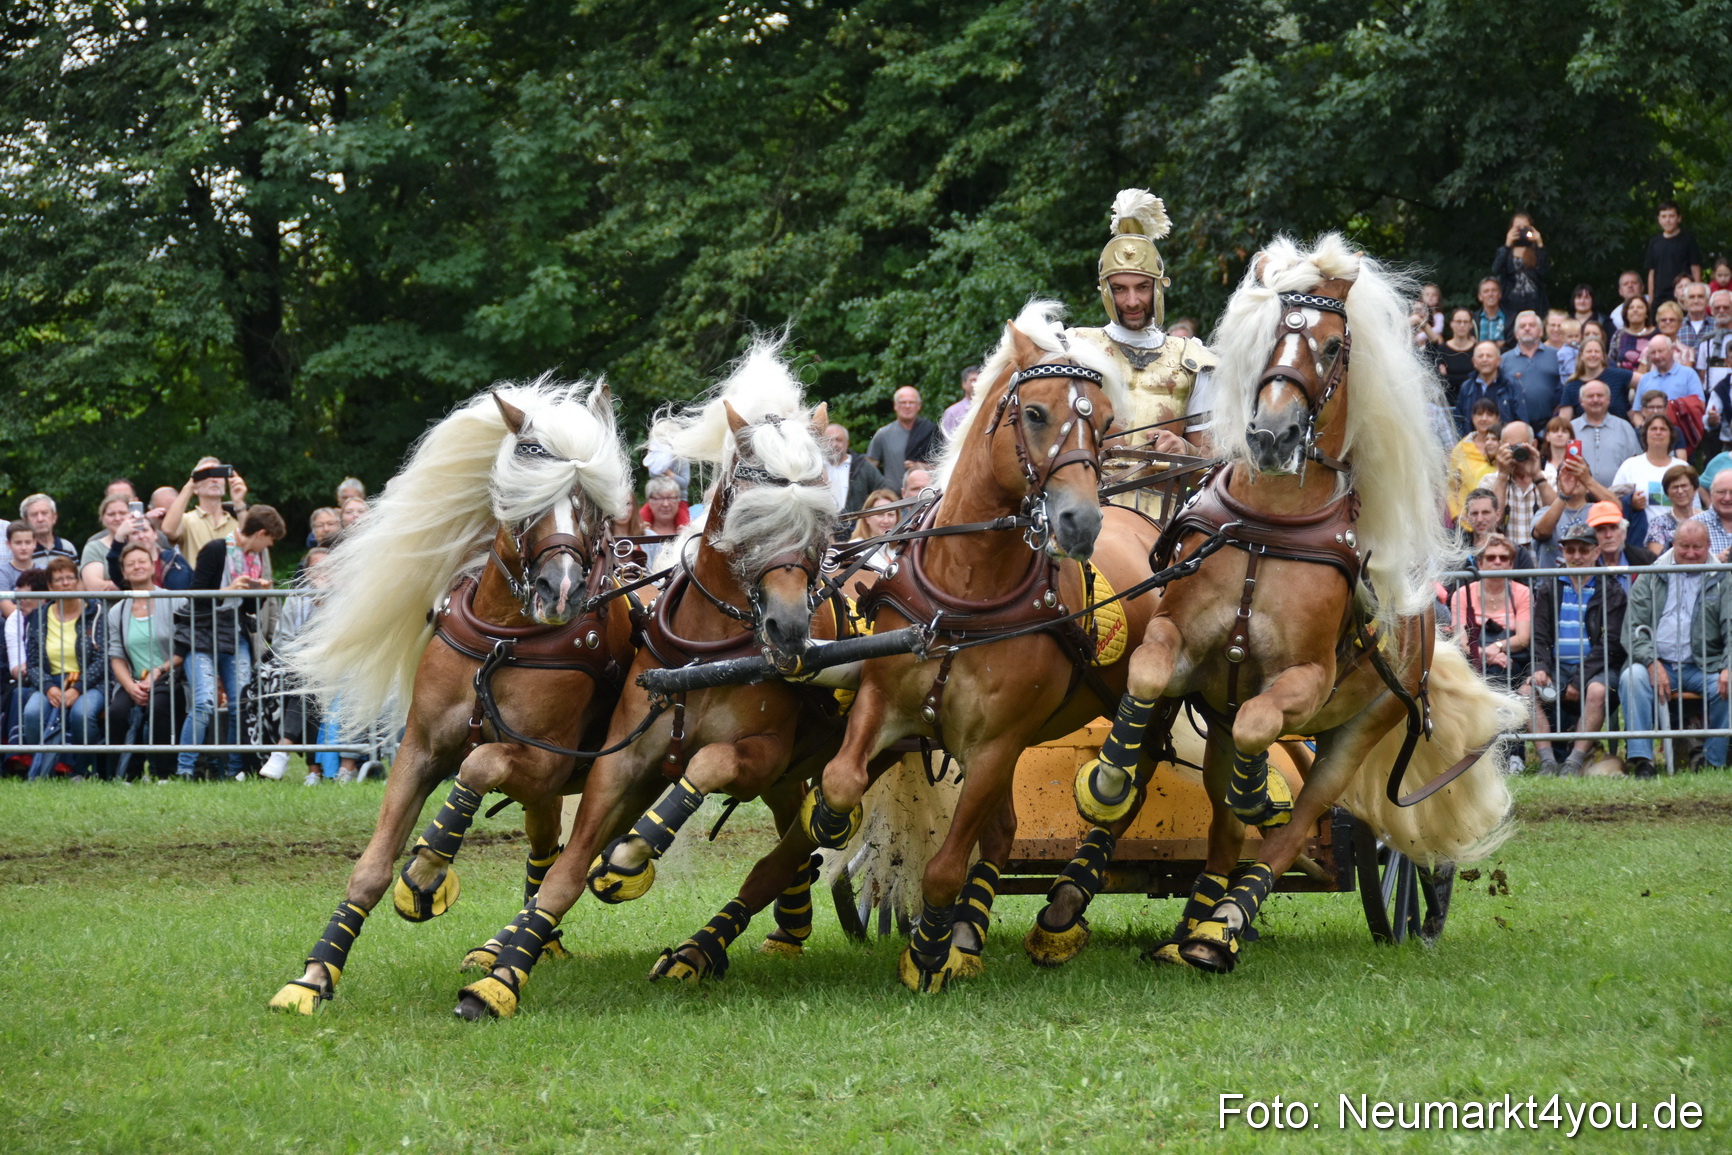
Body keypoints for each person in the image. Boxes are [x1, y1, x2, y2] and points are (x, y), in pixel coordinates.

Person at [1069, 188, 1217, 463]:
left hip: (1165, 504)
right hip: (1088, 502)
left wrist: (1186, 450)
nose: (1132, 301)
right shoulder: (1076, 350)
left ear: (1159, 288)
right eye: (1120, 289)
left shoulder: (1192, 360)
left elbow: (1213, 468)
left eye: (1143, 287)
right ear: (1105, 291)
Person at [176, 505, 285, 781]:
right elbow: (196, 594)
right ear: (260, 533)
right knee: (204, 702)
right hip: (202, 633)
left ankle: (234, 769)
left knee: (240, 702)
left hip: (234, 633)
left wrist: (259, 592)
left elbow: (248, 607)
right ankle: (185, 768)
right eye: (269, 540)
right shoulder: (215, 549)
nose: (268, 547)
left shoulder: (255, 559)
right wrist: (226, 590)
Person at [1618, 520, 1728, 777]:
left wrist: (1728, 666)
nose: (1690, 553)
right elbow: (1633, 627)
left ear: (1709, 546)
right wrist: (1651, 662)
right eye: (1684, 547)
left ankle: (1712, 762)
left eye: (1697, 548)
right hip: (1658, 661)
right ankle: (1642, 760)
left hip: (1705, 665)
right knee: (1631, 677)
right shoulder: (1652, 574)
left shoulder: (1724, 577)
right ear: (1673, 544)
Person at [1527, 522, 1626, 777]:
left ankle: (1573, 762)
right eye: (1570, 550)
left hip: (1596, 671)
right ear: (1563, 552)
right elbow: (1540, 634)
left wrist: (1579, 679)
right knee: (1527, 690)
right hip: (1557, 671)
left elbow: (1611, 643)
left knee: (1596, 690)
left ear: (1596, 552)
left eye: (1583, 550)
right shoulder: (1551, 585)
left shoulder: (1611, 588)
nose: (1577, 557)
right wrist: (1540, 667)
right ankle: (1547, 762)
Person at [19, 556, 107, 780]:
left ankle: (80, 770)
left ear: (78, 581)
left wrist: (77, 688)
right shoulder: (39, 617)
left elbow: (101, 658)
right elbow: (34, 662)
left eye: (70, 578)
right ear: (50, 586)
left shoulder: (95, 612)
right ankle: (50, 768)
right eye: (59, 579)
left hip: (89, 682)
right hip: (51, 680)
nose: (66, 583)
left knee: (81, 714)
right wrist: (49, 688)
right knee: (32, 713)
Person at [105, 543, 186, 781]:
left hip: (170, 677)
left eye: (142, 561)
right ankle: (128, 774)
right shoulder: (116, 611)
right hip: (134, 681)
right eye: (130, 564)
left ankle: (164, 774)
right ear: (124, 573)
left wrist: (158, 672)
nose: (137, 566)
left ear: (153, 567)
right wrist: (130, 686)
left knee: (159, 705)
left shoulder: (175, 601)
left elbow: (183, 649)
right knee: (117, 712)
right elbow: (117, 656)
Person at [1451, 535, 1532, 689]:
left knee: (1498, 671)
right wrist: (1486, 655)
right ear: (1480, 564)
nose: (1497, 562)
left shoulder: (1523, 592)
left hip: (1509, 659)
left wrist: (1498, 647)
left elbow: (1523, 638)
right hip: (1471, 658)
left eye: (1503, 558)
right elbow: (1461, 641)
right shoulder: (1462, 594)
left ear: (1511, 564)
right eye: (1491, 557)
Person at [161, 457, 249, 560]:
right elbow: (168, 530)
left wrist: (238, 502)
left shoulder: (237, 521)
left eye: (218, 474)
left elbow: (251, 541)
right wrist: (189, 487)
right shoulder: (187, 521)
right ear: (195, 487)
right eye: (207, 474)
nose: (214, 479)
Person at [1534, 452, 1616, 562]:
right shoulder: (1545, 512)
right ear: (1557, 485)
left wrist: (1588, 480)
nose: (1572, 480)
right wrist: (1564, 495)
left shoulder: (1599, 511)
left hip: (1593, 578)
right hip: (1553, 578)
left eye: (1578, 475)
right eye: (1566, 475)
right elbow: (1541, 532)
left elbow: (1618, 510)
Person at [1486, 420, 1554, 554]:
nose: (1515, 453)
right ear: (1501, 447)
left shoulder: (1551, 478)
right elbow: (1490, 524)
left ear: (1534, 445)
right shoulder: (1489, 481)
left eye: (1520, 447)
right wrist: (1502, 476)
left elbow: (1558, 518)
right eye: (1510, 447)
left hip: (1543, 562)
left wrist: (1537, 475)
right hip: (1505, 562)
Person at [865, 385, 940, 493]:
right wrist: (882, 488)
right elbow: (869, 467)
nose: (907, 406)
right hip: (894, 500)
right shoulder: (884, 434)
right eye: (903, 403)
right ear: (895, 406)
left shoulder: (931, 431)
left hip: (926, 498)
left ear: (919, 406)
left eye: (911, 402)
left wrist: (920, 466)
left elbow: (943, 468)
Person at [1569, 380, 1642, 489]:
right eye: (1590, 396)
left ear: (1609, 399)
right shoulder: (1571, 428)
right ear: (1581, 401)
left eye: (1600, 395)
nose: (1595, 400)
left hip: (1617, 498)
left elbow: (1637, 465)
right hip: (1579, 499)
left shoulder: (1624, 427)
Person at [1613, 416, 1687, 517]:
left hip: (1678, 531)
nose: (1658, 432)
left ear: (1671, 435)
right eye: (1653, 429)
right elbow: (1614, 500)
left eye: (1663, 429)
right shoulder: (1630, 465)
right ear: (1645, 435)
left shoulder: (1682, 467)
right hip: (1642, 531)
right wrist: (1631, 503)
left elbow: (1694, 507)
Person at [820, 423, 886, 536]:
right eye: (829, 440)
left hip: (856, 534)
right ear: (821, 443)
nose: (834, 444)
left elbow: (884, 492)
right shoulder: (815, 467)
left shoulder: (863, 466)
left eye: (839, 440)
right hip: (823, 532)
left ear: (847, 444)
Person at [1500, 311, 1562, 427]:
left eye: (1532, 325)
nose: (1527, 329)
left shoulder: (1557, 356)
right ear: (1516, 333)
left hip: (1551, 427)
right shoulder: (1503, 361)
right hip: (1515, 426)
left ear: (1541, 332)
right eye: (1522, 326)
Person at [104, 511, 194, 591]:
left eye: (145, 530)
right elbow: (115, 570)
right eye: (135, 533)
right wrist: (119, 536)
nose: (141, 536)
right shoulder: (130, 566)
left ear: (155, 534)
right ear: (128, 539)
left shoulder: (174, 560)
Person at [1448, 400, 1502, 522]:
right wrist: (1456, 514)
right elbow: (1451, 487)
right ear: (1472, 417)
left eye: (1489, 414)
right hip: (1467, 521)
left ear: (1497, 418)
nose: (1484, 419)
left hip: (1498, 521)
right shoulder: (1461, 448)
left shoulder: (1504, 446)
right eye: (1479, 414)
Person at [843, 488, 903, 598]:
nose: (886, 521)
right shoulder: (855, 548)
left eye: (890, 515)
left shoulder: (903, 548)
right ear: (868, 518)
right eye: (880, 514)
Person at [1644, 200, 1704, 307]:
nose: (1668, 220)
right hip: (1660, 297)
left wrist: (1696, 295)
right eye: (1664, 216)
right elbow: (1652, 273)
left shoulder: (1688, 240)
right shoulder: (1654, 242)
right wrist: (1651, 300)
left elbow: (1695, 269)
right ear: (1659, 219)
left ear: (1679, 218)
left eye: (1671, 216)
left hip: (1683, 295)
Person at [1560, 336, 1632, 421]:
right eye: (1589, 351)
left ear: (1603, 356)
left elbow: (1645, 381)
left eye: (1597, 351)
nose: (1593, 354)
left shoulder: (1618, 375)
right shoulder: (1571, 386)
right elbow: (1563, 422)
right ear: (1581, 356)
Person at [1454, 340, 1519, 433]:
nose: (1484, 359)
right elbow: (1458, 421)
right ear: (1474, 361)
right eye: (1480, 356)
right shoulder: (1466, 387)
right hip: (1473, 445)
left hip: (1504, 444)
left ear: (1498, 361)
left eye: (1489, 356)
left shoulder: (1511, 385)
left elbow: (1520, 421)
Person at [1493, 213, 1549, 316]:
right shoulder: (1506, 251)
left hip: (1534, 301)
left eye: (1525, 228)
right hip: (1510, 301)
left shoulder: (1536, 251)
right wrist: (1507, 244)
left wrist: (1540, 244)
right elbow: (1496, 269)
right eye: (1518, 228)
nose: (1522, 231)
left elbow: (1544, 272)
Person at [1644, 463, 1703, 554]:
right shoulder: (1658, 523)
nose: (1680, 491)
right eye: (1675, 487)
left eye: (1684, 486)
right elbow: (1658, 558)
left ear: (1694, 489)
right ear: (1667, 493)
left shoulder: (1707, 519)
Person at [78, 494, 133, 592]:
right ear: (103, 519)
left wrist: (113, 585)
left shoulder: (143, 540)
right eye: (111, 514)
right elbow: (94, 587)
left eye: (122, 513)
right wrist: (132, 585)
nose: (117, 518)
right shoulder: (94, 547)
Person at [1434, 307, 1479, 409]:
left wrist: (1449, 376)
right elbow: (1440, 381)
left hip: (1473, 404)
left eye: (1465, 322)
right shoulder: (1442, 349)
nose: (1462, 325)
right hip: (1448, 405)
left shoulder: (1478, 350)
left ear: (1471, 325)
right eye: (1458, 321)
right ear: (1451, 324)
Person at [19, 494, 76, 567]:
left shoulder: (67, 548)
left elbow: (75, 577)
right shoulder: (22, 551)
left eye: (44, 513)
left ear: (54, 517)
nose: (40, 519)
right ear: (25, 521)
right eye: (34, 514)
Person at [1692, 469, 1732, 561]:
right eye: (1721, 492)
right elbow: (1683, 570)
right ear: (1711, 494)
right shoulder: (1694, 525)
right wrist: (1715, 562)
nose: (1727, 498)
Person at [1612, 295, 1656, 372]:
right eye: (1631, 308)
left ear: (1646, 313)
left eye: (1639, 307)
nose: (1635, 310)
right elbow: (1611, 361)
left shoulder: (1656, 335)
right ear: (1626, 314)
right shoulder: (1619, 335)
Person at [1, 520, 34, 615]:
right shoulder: (2, 572)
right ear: (8, 544)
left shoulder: (44, 571)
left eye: (28, 542)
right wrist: (37, 609)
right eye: (18, 543)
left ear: (34, 543)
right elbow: (7, 610)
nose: (23, 547)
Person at [941, 365, 979, 440]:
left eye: (981, 380)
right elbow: (948, 443)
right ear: (963, 384)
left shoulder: (992, 408)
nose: (977, 384)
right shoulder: (953, 413)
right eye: (973, 380)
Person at [1473, 277, 1513, 348]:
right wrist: (1497, 345)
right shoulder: (1473, 320)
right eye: (1486, 291)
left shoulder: (1512, 318)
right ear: (1480, 297)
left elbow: (1512, 345)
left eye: (1494, 290)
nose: (1490, 294)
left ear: (1500, 294)